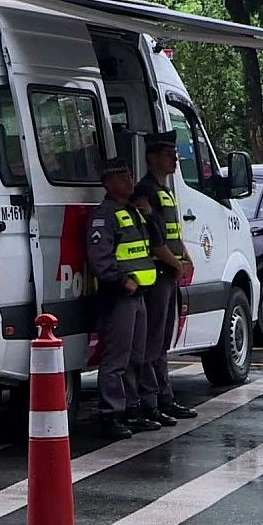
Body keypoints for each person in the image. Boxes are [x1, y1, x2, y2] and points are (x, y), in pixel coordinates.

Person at [86, 158, 162, 440]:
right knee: (117, 358)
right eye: (122, 178)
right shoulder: (104, 215)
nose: (130, 182)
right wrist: (122, 281)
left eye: (130, 175)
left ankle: (131, 408)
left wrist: (150, 216)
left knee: (135, 357)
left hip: (139, 294)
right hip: (120, 295)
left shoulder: (132, 211)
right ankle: (110, 414)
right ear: (108, 184)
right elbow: (99, 257)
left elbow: (154, 242)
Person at [133, 131, 199, 423]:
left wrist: (186, 257)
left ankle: (165, 398)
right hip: (158, 274)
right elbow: (155, 240)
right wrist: (176, 263)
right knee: (153, 342)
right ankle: (151, 401)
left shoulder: (165, 190)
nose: (175, 159)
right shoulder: (145, 191)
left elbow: (172, 233)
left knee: (162, 342)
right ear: (152, 158)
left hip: (169, 272)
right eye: (169, 154)